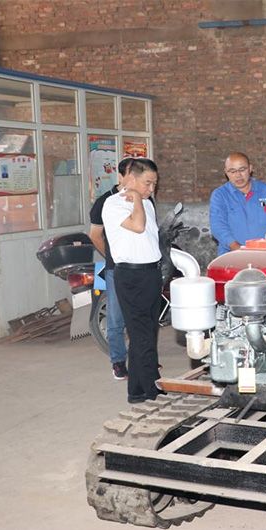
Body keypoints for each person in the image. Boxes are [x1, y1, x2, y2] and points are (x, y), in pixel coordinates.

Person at [102, 158, 164, 404]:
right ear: (132, 178)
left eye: (154, 184)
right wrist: (137, 199)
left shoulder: (147, 203)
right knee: (141, 335)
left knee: (148, 332)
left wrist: (142, 199)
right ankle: (152, 388)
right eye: (147, 183)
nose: (151, 189)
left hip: (151, 273)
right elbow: (138, 226)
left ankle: (136, 391)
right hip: (131, 275)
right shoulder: (113, 204)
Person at [88, 157, 132, 380]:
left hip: (140, 266)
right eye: (132, 175)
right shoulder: (104, 202)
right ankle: (118, 362)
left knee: (140, 315)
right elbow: (95, 235)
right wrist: (113, 257)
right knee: (116, 318)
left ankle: (142, 358)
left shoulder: (144, 199)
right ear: (120, 176)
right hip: (116, 268)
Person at [209, 152, 266, 254]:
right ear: (226, 172)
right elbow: (218, 226)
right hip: (232, 256)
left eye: (242, 170)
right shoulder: (220, 195)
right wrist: (237, 249)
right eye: (232, 171)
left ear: (250, 168)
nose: (238, 175)